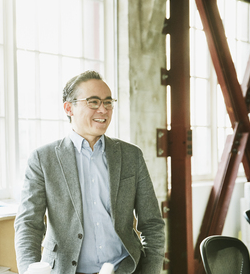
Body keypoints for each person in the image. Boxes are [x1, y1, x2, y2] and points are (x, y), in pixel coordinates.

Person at [14, 70, 165, 274]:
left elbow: (152, 223)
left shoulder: (131, 156)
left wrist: (151, 271)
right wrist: (29, 271)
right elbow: (28, 225)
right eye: (93, 102)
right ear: (69, 108)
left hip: (125, 269)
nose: (103, 109)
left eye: (108, 102)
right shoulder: (43, 159)